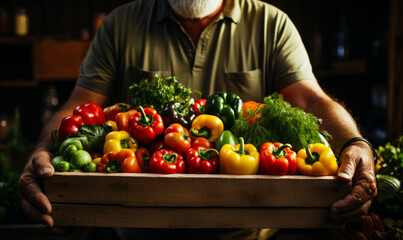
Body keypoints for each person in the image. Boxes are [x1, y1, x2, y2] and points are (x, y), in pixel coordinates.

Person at [18, 0, 377, 239]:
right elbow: (78, 108)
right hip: (137, 230)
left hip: (246, 234)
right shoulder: (121, 24)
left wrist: (354, 142)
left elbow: (312, 100)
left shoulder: (271, 24)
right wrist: (43, 150)